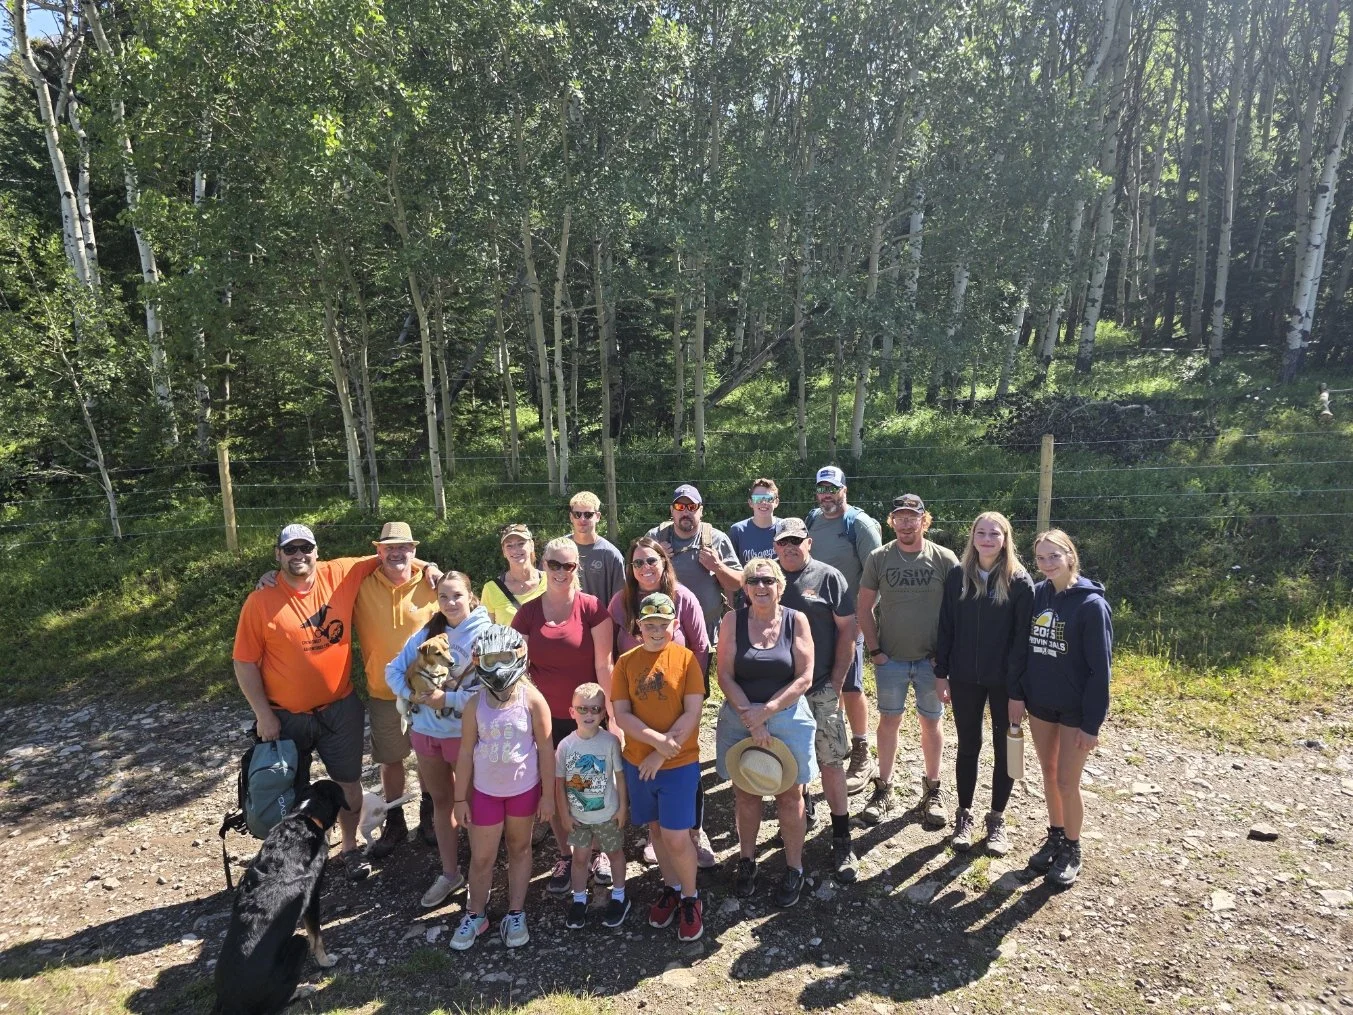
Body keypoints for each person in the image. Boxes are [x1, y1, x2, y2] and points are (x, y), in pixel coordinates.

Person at [231, 523, 383, 882]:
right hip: (285, 716)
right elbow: (244, 662)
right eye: (290, 550)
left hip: (339, 707)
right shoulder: (260, 601)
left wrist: (431, 569)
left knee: (348, 783)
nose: (299, 555)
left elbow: (392, 554)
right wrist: (262, 715)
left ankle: (349, 848)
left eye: (305, 548)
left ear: (317, 551)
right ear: (278, 555)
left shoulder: (340, 573)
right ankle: (293, 859)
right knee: (286, 790)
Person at [510, 536, 614, 895]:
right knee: (553, 788)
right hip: (543, 720)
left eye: (568, 565)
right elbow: (514, 667)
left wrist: (610, 715)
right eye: (553, 564)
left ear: (577, 569)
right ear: (543, 565)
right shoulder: (528, 612)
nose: (560, 571)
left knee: (591, 786)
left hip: (586, 715)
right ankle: (566, 854)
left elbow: (604, 664)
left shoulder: (593, 608)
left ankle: (597, 852)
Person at [1009, 529, 1112, 889]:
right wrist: (1017, 693)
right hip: (1040, 704)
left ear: (1071, 555)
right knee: (1049, 775)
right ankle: (1055, 836)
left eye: (1055, 556)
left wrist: (1092, 724)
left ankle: (1072, 847)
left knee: (1068, 781)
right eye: (1040, 558)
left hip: (1074, 711)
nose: (1047, 564)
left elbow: (1101, 670)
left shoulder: (1091, 605)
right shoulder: (1037, 596)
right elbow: (1021, 649)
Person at [385, 571, 493, 908]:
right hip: (425, 734)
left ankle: (481, 875)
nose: (450, 603)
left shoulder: (487, 634)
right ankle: (450, 873)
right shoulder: (428, 633)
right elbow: (392, 670)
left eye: (457, 595)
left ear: (470, 596)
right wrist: (411, 695)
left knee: (474, 805)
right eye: (444, 597)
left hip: (464, 734)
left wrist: (448, 701)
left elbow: (493, 691)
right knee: (442, 803)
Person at [609, 536, 716, 870]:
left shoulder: (683, 598)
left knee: (684, 766)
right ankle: (658, 835)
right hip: (639, 702)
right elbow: (614, 650)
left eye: (651, 561)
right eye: (638, 562)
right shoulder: (622, 602)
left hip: (681, 697)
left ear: (664, 564)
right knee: (648, 772)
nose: (645, 568)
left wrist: (688, 689)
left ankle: (694, 833)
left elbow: (700, 646)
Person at [715, 558, 817, 908]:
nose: (761, 587)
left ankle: (794, 867)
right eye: (753, 580)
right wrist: (752, 717)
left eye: (768, 580)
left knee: (790, 796)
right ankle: (747, 861)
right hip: (741, 716)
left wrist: (767, 712)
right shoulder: (732, 620)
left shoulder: (796, 620)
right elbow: (724, 674)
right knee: (747, 794)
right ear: (744, 588)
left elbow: (804, 677)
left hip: (786, 717)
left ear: (779, 586)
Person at [933, 512, 1034, 856]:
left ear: (1006, 539)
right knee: (968, 745)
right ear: (972, 537)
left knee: (1007, 748)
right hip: (963, 677)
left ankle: (998, 819)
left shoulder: (1020, 582)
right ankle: (964, 814)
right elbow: (945, 627)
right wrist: (941, 673)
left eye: (995, 533)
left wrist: (1018, 690)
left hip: (1005, 682)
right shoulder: (957, 577)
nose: (987, 539)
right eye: (981, 532)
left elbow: (1023, 641)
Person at [856, 494, 959, 829]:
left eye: (911, 517)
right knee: (889, 722)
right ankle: (884, 788)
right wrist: (875, 651)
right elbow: (863, 608)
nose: (905, 523)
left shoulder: (944, 559)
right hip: (891, 661)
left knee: (931, 723)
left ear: (923, 520)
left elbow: (959, 612)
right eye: (899, 517)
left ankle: (932, 790)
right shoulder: (879, 558)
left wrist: (945, 658)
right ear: (892, 521)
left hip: (932, 663)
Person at [450, 625, 555, 950]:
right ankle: (475, 913)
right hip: (484, 794)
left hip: (524, 792)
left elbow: (547, 750)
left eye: (504, 658)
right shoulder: (474, 705)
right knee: (481, 858)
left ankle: (515, 912)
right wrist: (459, 799)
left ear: (519, 659)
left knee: (519, 849)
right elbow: (465, 752)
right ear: (480, 660)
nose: (498, 667)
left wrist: (549, 796)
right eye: (491, 658)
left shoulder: (533, 700)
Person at [611, 594, 707, 941]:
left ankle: (691, 898)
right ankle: (671, 887)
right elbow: (622, 714)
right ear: (639, 627)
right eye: (649, 624)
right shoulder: (625, 663)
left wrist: (661, 753)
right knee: (655, 830)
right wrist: (652, 744)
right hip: (639, 763)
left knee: (676, 837)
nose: (655, 630)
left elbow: (692, 712)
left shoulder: (686, 660)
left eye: (663, 624)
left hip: (678, 763)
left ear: (674, 626)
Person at [772, 518, 859, 882]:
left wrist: (837, 683)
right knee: (789, 763)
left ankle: (843, 838)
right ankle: (800, 818)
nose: (790, 548)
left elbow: (848, 632)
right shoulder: (767, 580)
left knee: (832, 762)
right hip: (779, 692)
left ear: (809, 543)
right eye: (783, 542)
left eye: (796, 541)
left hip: (821, 687)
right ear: (774, 547)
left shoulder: (829, 577)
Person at [354, 521, 439, 857]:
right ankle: (395, 820)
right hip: (383, 691)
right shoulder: (362, 584)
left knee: (429, 756)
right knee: (390, 760)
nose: (397, 554)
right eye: (389, 547)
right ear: (378, 551)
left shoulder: (433, 584)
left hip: (429, 693)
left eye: (404, 548)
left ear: (414, 550)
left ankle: (430, 816)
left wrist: (428, 567)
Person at [805, 466, 883, 795]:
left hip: (849, 618)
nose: (827, 495)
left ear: (844, 490)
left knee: (849, 685)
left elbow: (876, 572)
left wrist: (864, 614)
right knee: (815, 681)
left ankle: (862, 750)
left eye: (832, 489)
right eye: (822, 489)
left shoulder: (859, 525)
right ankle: (823, 743)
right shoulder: (812, 519)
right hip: (815, 620)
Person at [556, 682, 630, 931]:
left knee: (615, 853)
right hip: (578, 817)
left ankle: (619, 895)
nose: (589, 714)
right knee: (579, 858)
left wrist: (622, 807)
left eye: (595, 709)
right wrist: (564, 814)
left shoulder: (610, 742)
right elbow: (559, 784)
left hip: (608, 814)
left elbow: (620, 776)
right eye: (583, 709)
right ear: (572, 712)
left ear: (603, 713)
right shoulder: (565, 747)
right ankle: (579, 899)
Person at [647, 483, 742, 646]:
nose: (685, 512)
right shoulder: (655, 538)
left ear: (701, 511)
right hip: (663, 629)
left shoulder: (716, 539)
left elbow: (737, 583)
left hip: (705, 628)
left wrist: (718, 567)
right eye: (680, 506)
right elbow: (636, 576)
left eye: (692, 507)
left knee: (699, 672)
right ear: (672, 510)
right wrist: (654, 558)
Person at [567, 491, 626, 606]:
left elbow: (620, 600)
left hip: (599, 621)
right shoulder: (559, 549)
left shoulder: (610, 554)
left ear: (598, 517)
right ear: (571, 517)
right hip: (564, 620)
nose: (582, 519)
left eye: (588, 514)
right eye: (577, 514)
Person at [482, 524, 547, 625]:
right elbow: (486, 631)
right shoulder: (491, 589)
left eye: (521, 543)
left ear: (531, 546)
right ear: (504, 551)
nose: (515, 550)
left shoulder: (550, 581)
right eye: (509, 545)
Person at [728, 478, 782, 564]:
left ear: (776, 502)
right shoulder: (738, 531)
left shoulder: (785, 528)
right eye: (758, 498)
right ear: (750, 503)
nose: (763, 502)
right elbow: (731, 567)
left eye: (769, 498)